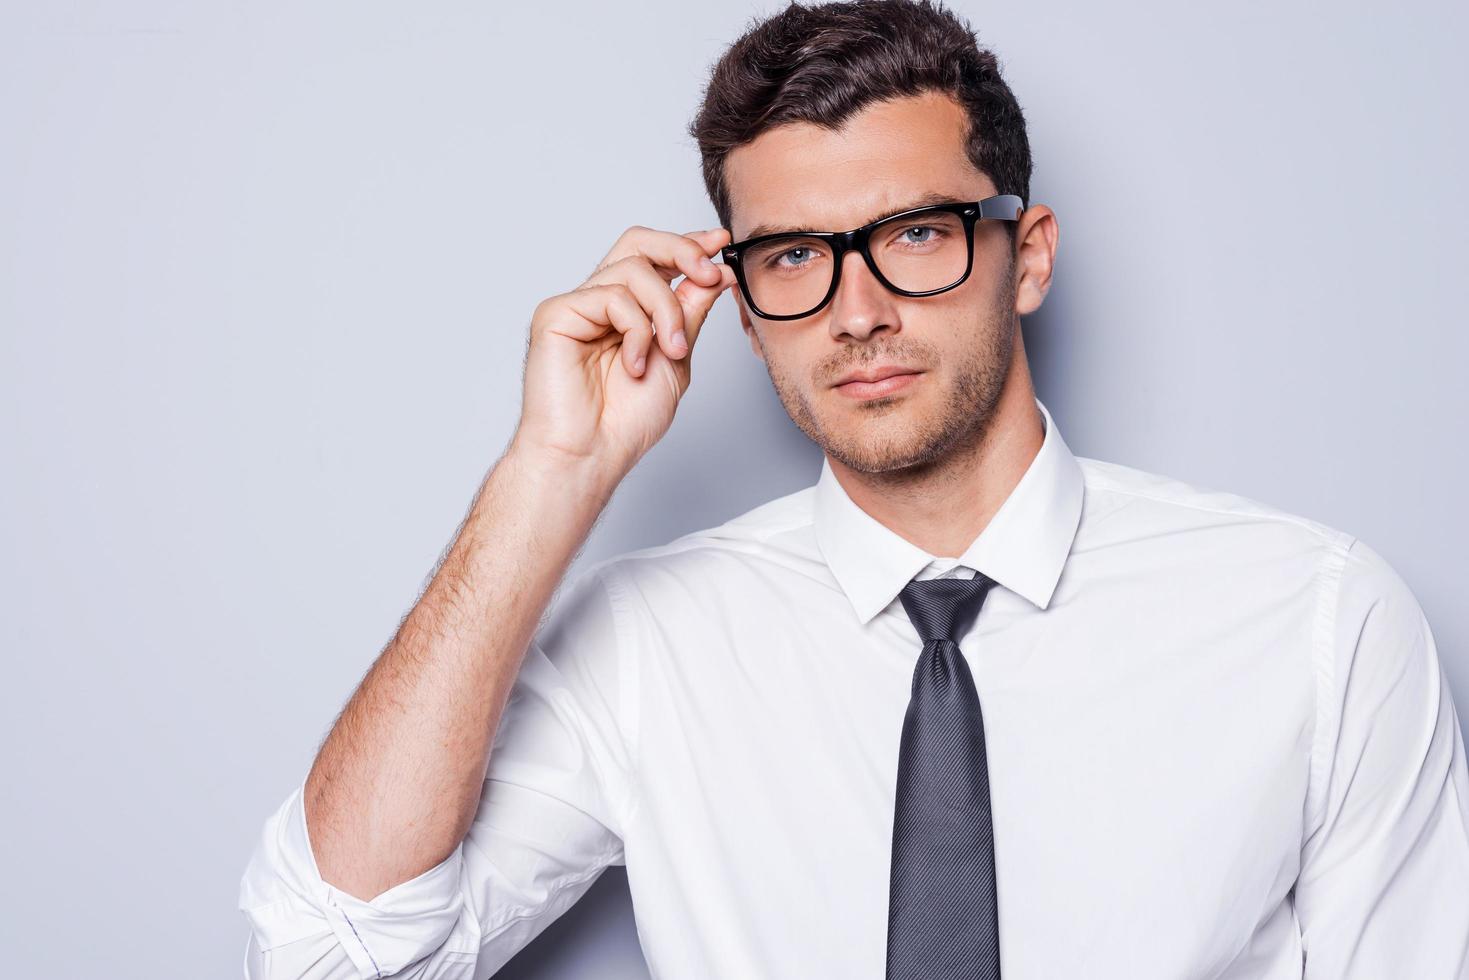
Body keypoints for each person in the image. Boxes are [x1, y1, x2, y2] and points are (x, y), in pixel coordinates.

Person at [237, 1, 1469, 977]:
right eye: (792, 257)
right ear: (738, 294)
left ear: (1024, 256)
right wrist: (549, 474)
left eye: (918, 234)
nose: (856, 310)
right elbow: (323, 955)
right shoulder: (654, 642)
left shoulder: (1313, 620)